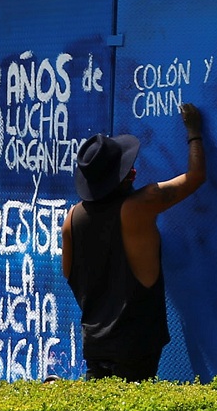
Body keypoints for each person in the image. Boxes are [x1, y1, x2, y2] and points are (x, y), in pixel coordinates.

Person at [61, 102, 208, 381]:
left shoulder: (71, 218)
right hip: (136, 346)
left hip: (95, 343)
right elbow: (196, 176)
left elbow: (69, 274)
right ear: (124, 176)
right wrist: (194, 132)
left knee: (100, 407)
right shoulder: (140, 205)